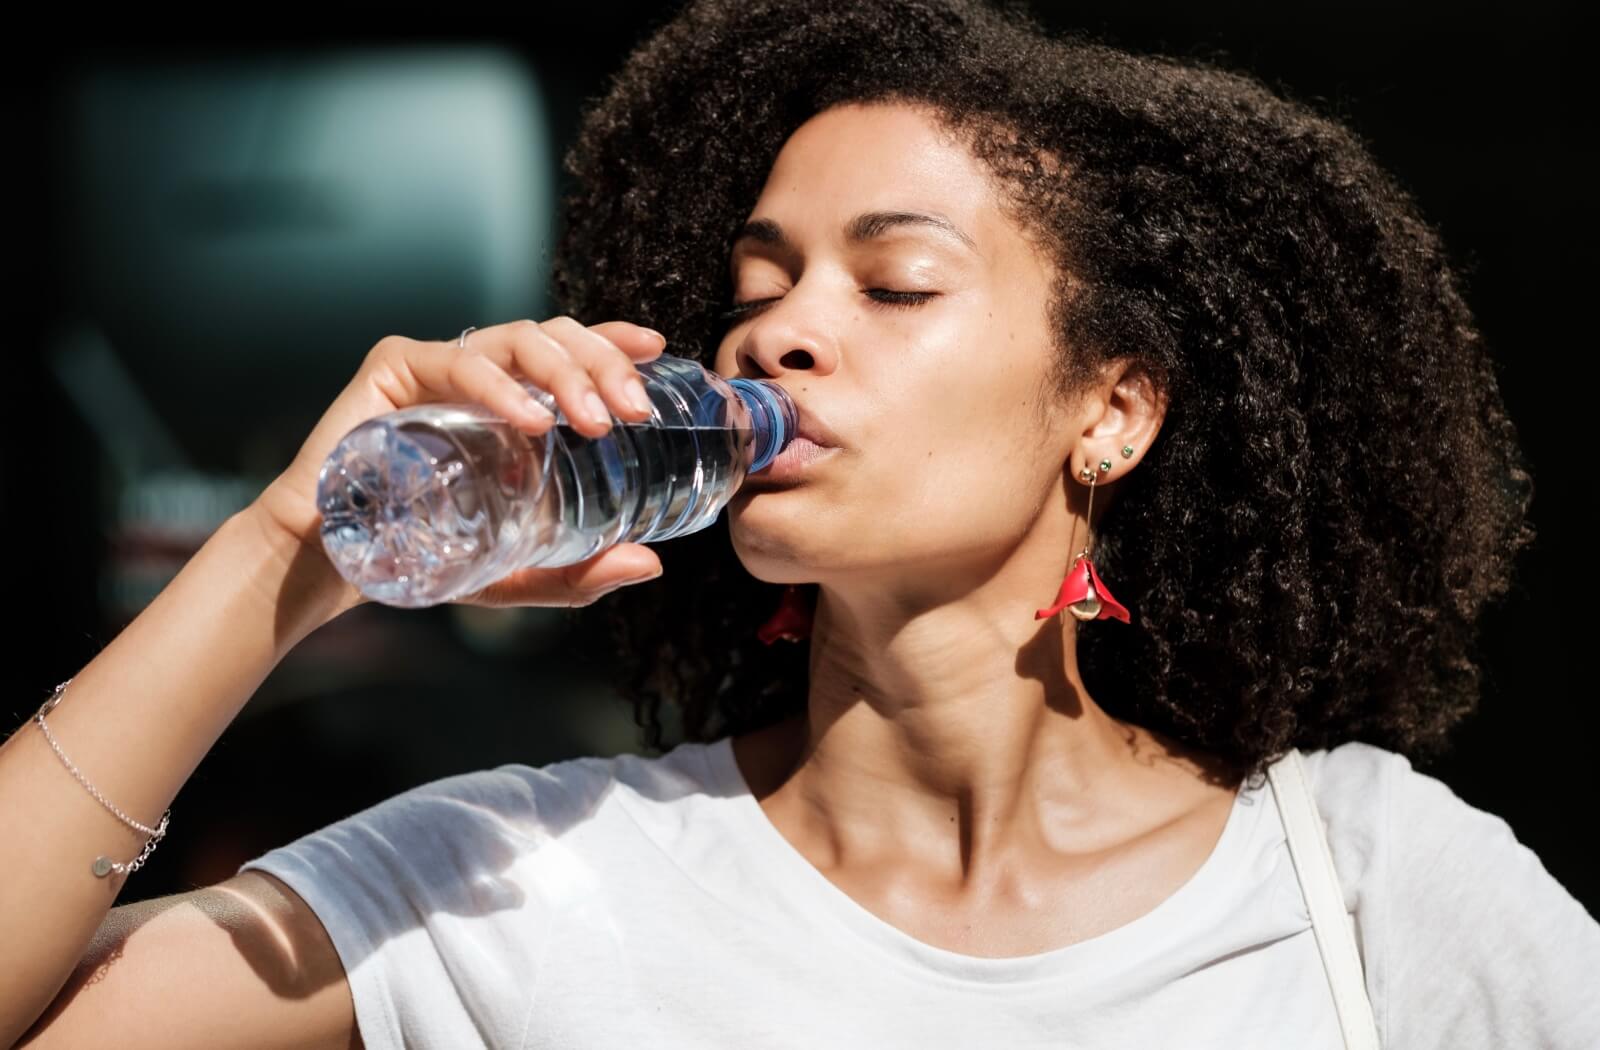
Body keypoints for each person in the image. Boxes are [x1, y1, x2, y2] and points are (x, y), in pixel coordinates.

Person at [5, 0, 1596, 1047]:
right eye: (755, 290)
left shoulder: (1366, 883)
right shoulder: (524, 875)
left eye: (893, 284)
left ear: (1113, 407)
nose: (776, 335)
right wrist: (291, 548)